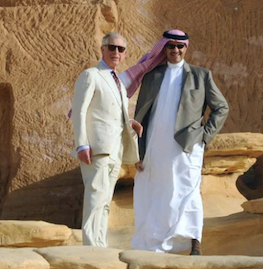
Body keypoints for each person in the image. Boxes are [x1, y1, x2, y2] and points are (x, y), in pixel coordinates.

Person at [129, 29, 229, 255]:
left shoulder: (201, 76)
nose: (175, 50)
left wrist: (204, 136)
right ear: (164, 48)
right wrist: (139, 151)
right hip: (155, 145)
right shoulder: (153, 76)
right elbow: (141, 115)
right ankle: (155, 244)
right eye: (171, 46)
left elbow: (221, 108)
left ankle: (195, 244)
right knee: (154, 190)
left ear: (186, 48)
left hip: (187, 146)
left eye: (180, 46)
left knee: (187, 192)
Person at [71, 32, 141, 247]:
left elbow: (113, 114)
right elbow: (79, 112)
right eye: (112, 47)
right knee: (95, 196)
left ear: (125, 53)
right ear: (102, 49)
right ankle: (91, 247)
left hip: (115, 149)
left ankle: (99, 244)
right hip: (97, 148)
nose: (116, 52)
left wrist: (130, 122)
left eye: (120, 49)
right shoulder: (91, 75)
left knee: (105, 201)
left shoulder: (117, 82)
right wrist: (82, 144)